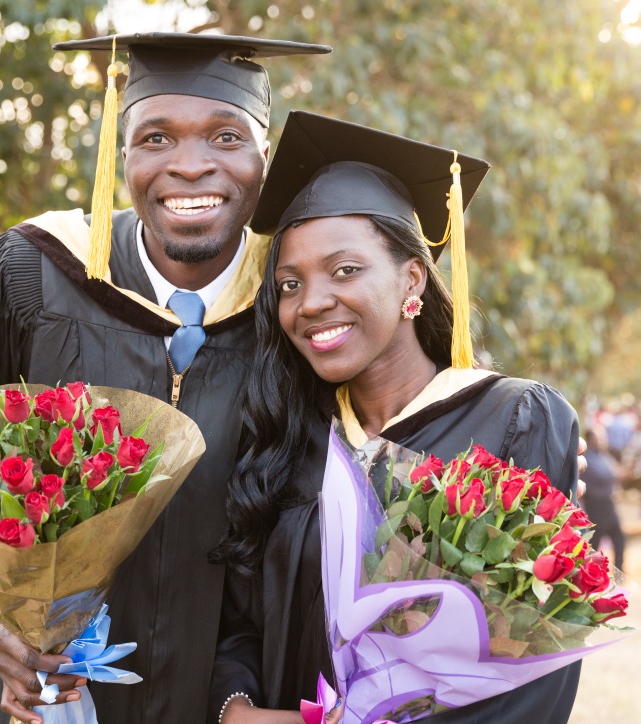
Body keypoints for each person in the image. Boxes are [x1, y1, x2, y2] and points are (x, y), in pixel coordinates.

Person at [0, 33, 330, 724]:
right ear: (121, 155)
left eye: (227, 136)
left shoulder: (302, 308)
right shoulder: (34, 274)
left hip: (224, 697)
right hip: (35, 693)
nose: (191, 166)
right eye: (156, 138)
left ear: (264, 156)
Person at [210, 112, 582, 723]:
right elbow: (241, 621)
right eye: (288, 284)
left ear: (412, 276)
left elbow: (538, 661)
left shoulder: (513, 420)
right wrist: (237, 711)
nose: (313, 302)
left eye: (345, 270)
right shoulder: (291, 437)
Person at [579, 429, 626, 572]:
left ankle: (618, 570)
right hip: (596, 504)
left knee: (619, 537)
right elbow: (606, 475)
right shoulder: (589, 459)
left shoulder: (604, 456)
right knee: (595, 541)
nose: (603, 440)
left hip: (607, 503)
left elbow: (614, 474)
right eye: (600, 437)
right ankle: (589, 572)